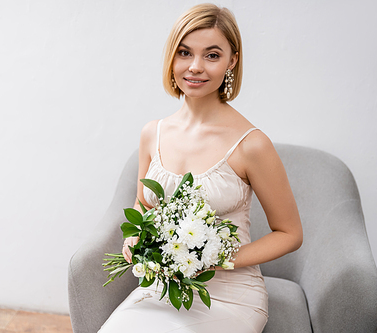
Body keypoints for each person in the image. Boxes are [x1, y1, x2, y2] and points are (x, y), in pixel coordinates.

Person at [99, 3, 302, 332]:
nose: (195, 67)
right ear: (172, 57)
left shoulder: (252, 144)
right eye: (184, 53)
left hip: (231, 297)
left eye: (211, 55)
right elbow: (143, 204)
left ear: (231, 60)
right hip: (161, 290)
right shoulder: (153, 133)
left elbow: (290, 234)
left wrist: (217, 257)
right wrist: (136, 239)